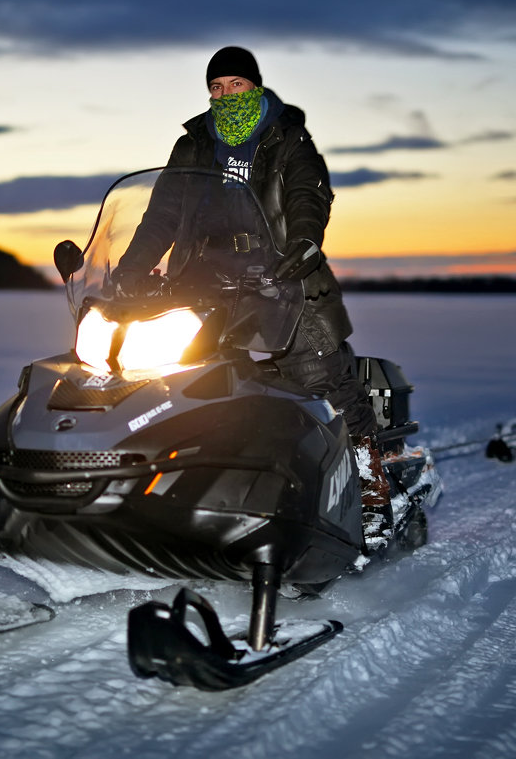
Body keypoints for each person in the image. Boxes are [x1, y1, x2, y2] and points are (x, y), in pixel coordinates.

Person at [112, 46, 392, 541]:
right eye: (215, 88)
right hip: (202, 282)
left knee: (319, 375)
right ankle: (182, 493)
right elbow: (161, 215)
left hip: (282, 274)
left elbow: (310, 194)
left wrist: (304, 241)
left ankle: (370, 486)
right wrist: (131, 270)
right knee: (176, 385)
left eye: (235, 85)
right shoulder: (194, 144)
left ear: (255, 86)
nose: (225, 95)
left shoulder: (286, 137)